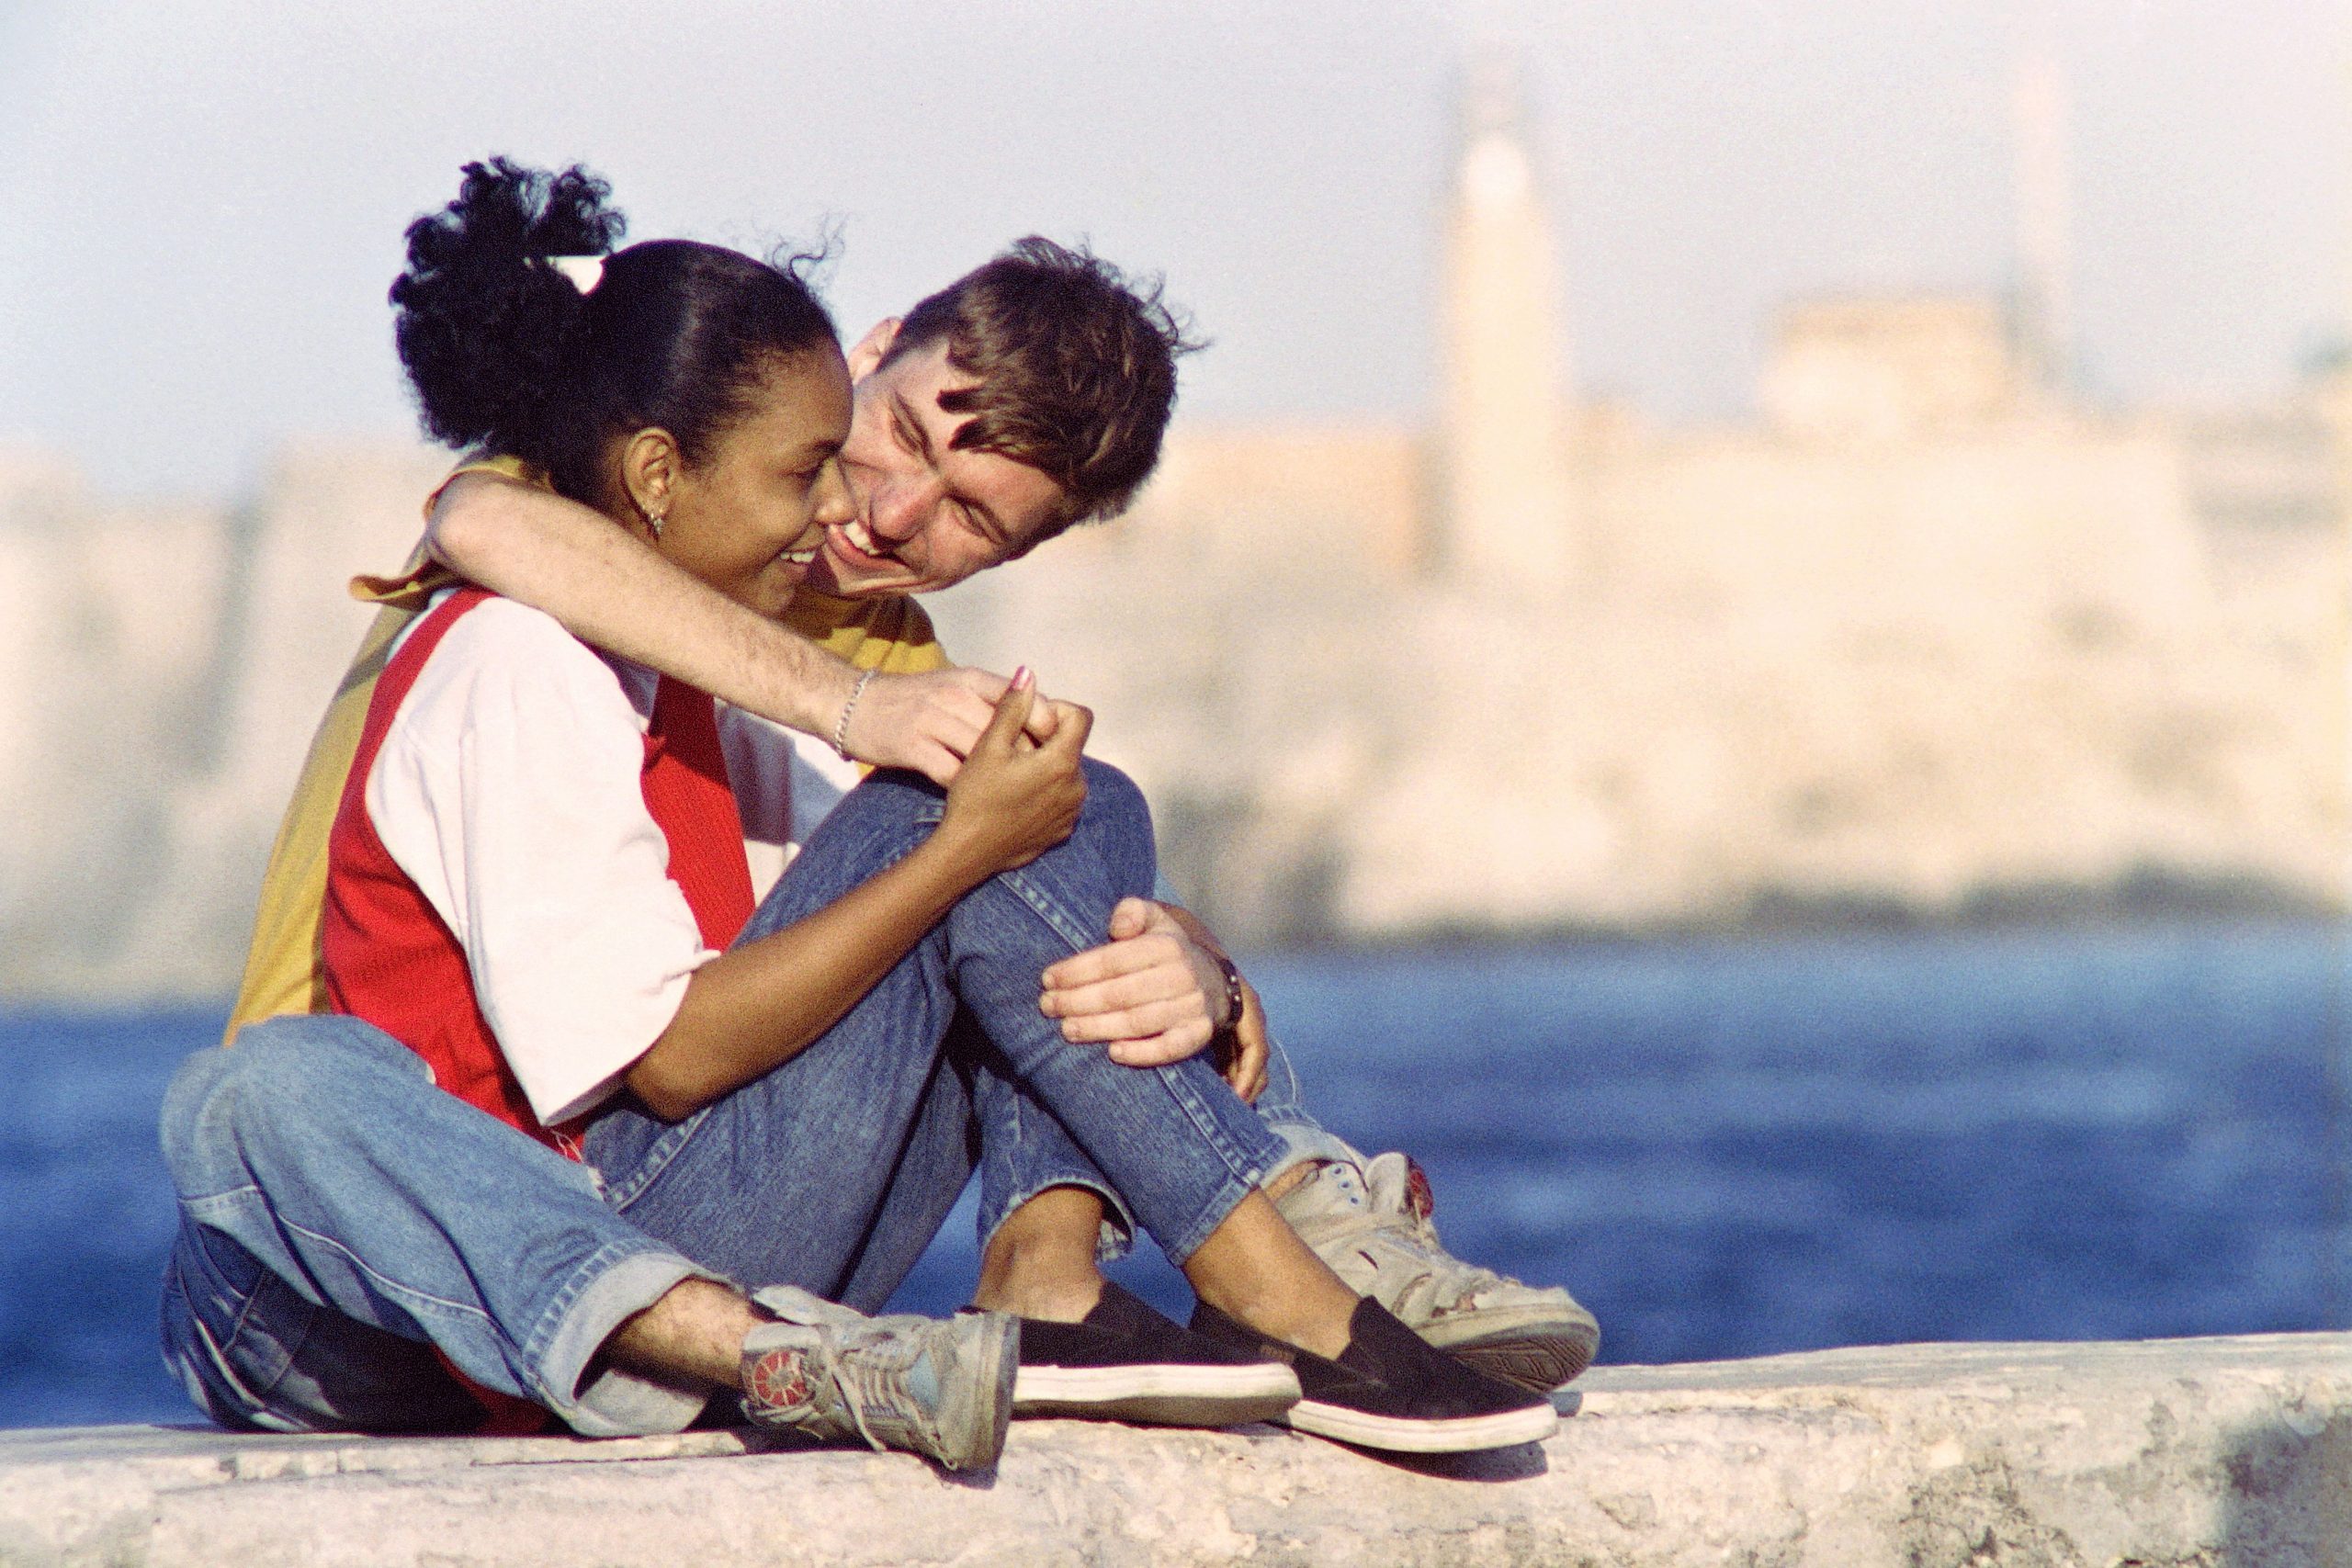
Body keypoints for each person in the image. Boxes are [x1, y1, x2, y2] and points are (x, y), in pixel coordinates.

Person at [160, 161, 1558, 1468]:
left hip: (650, 1196)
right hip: (351, 1237)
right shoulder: (567, 576)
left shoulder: (853, 635)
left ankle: (1117, 1264)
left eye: (970, 520)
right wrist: (857, 721)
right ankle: (1261, 1272)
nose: (884, 512)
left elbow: (996, 907)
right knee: (266, 1094)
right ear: (868, 352)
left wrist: (1201, 975)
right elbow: (478, 522)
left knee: (1064, 806)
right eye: (876, 438)